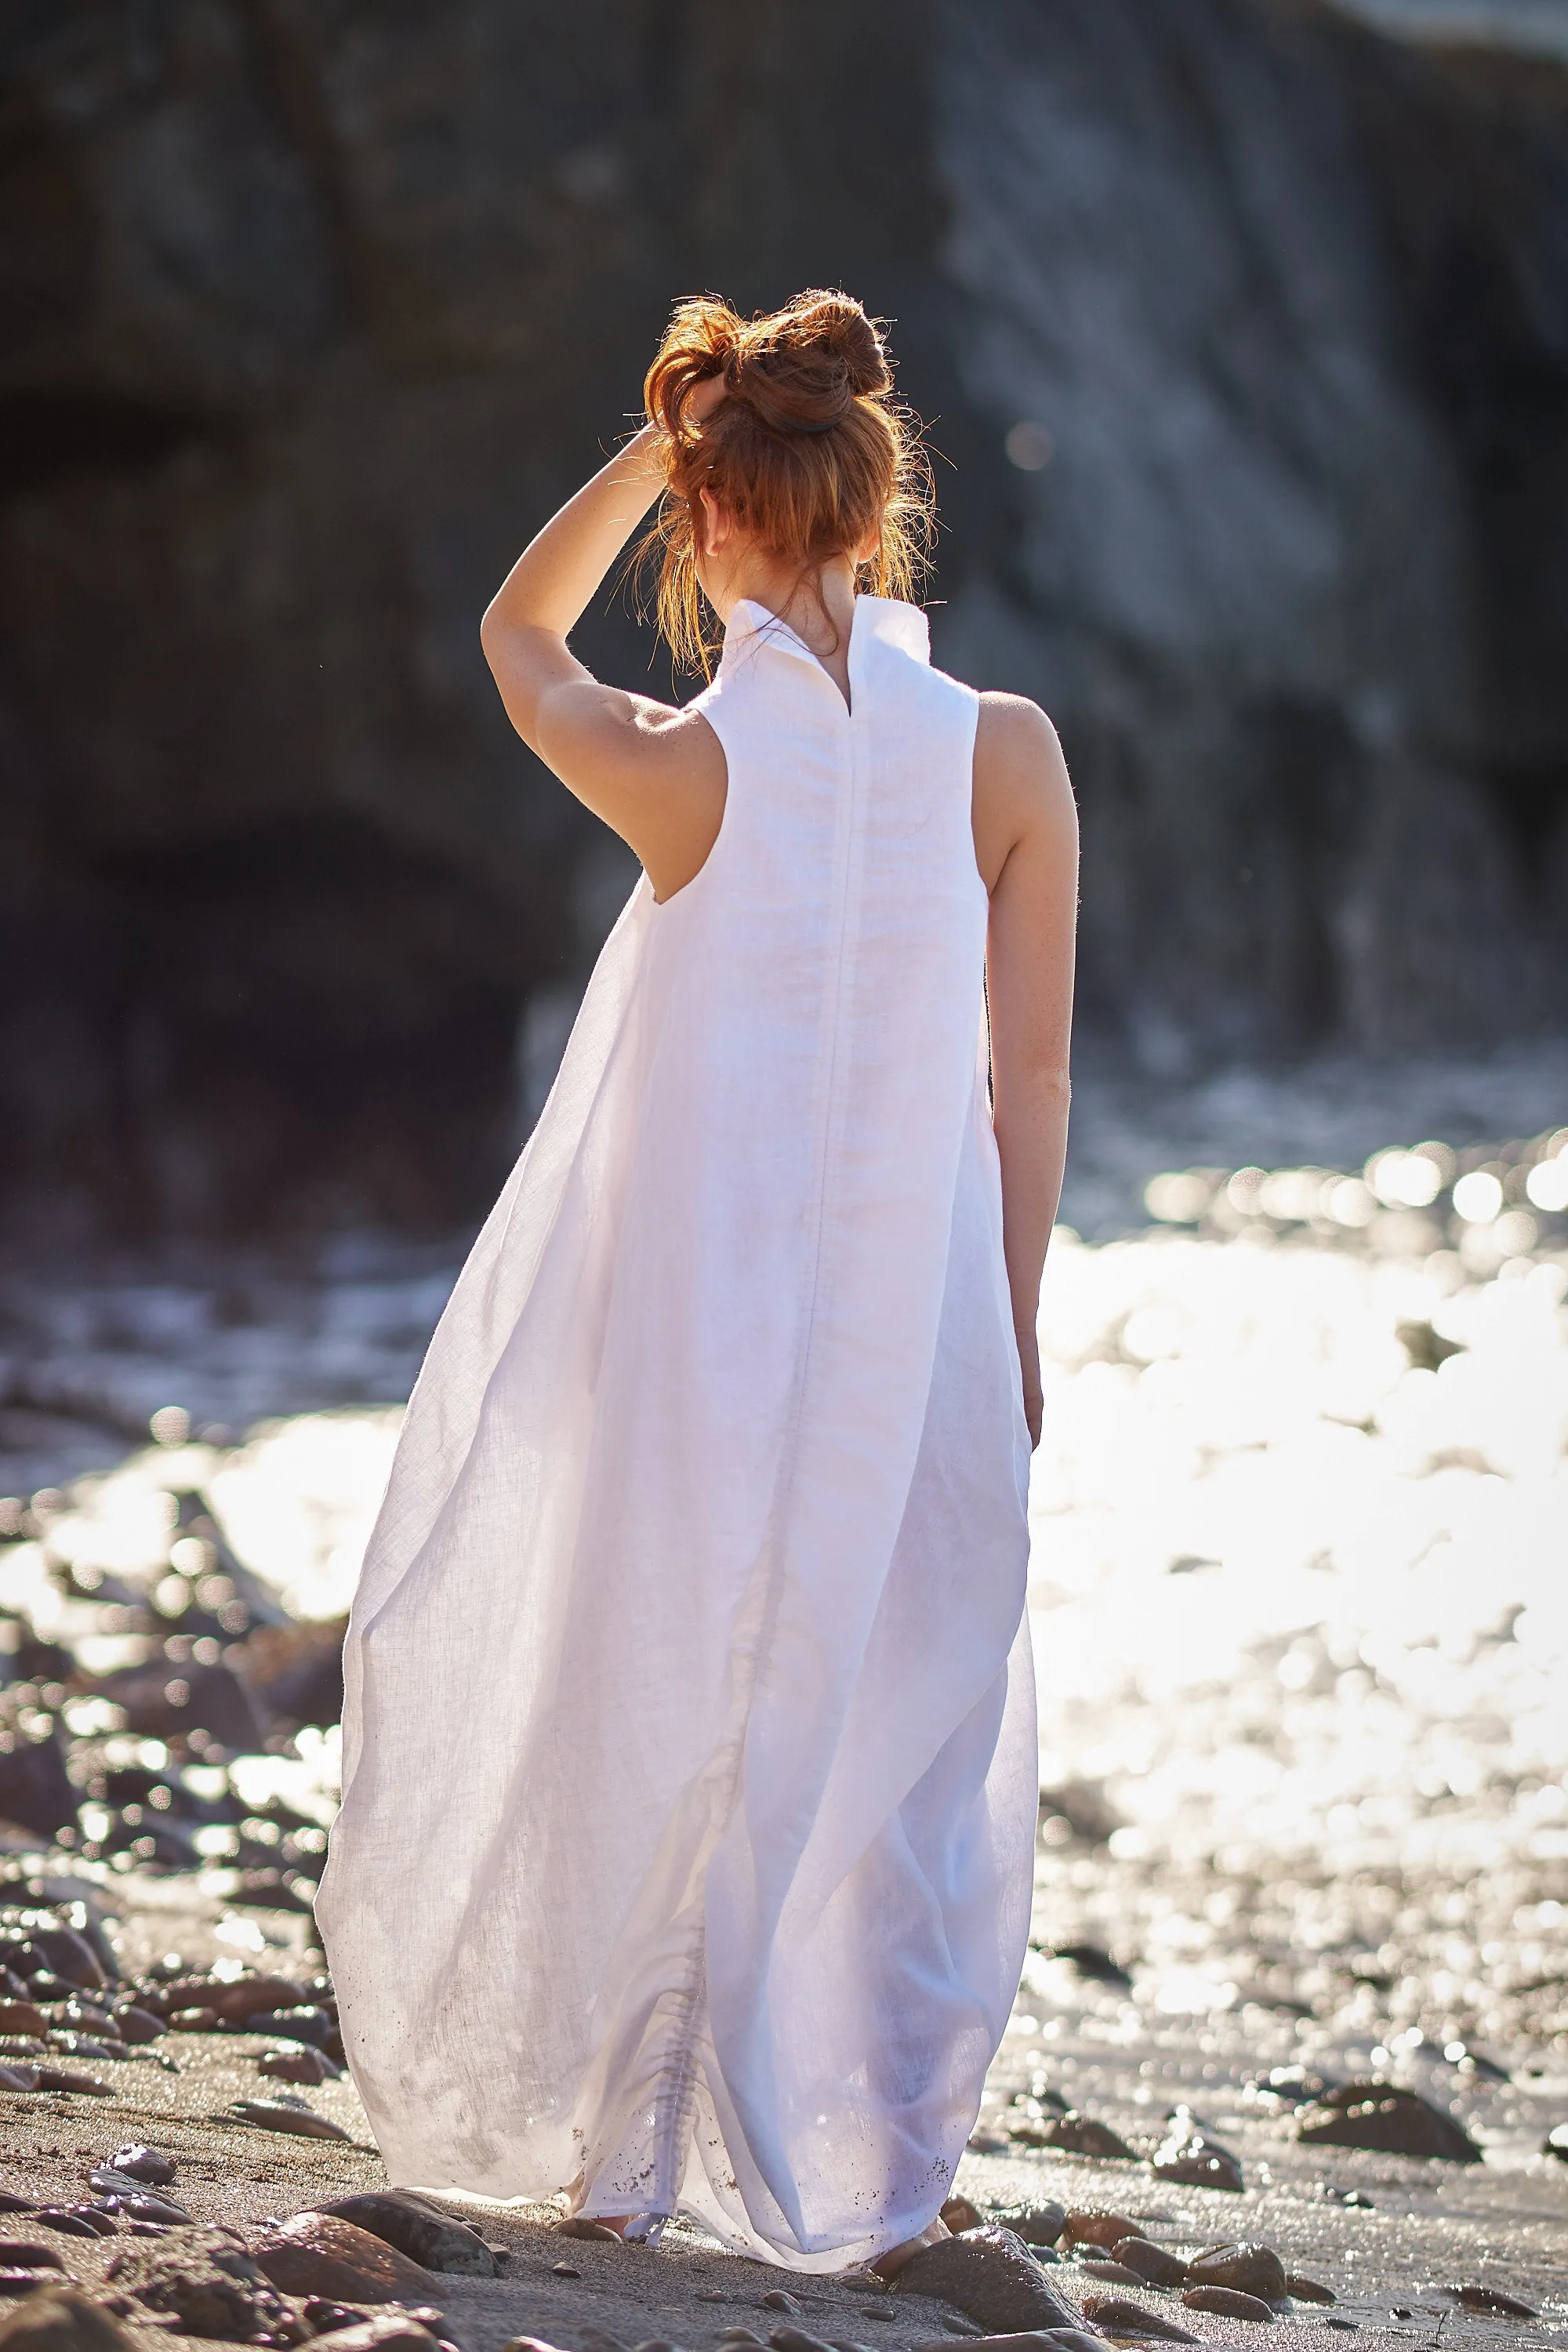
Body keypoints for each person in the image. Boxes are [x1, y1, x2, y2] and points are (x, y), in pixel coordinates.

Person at [316, 289, 1077, 2278]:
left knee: (671, 1675)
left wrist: (652, 450)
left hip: (698, 1326)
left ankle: (636, 2139)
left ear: (714, 521)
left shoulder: (682, 768)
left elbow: (511, 638)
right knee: (890, 1713)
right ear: (871, 510)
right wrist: (1012, 1326)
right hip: (910, 1333)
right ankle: (878, 2141)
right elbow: (1035, 1076)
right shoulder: (1003, 753)